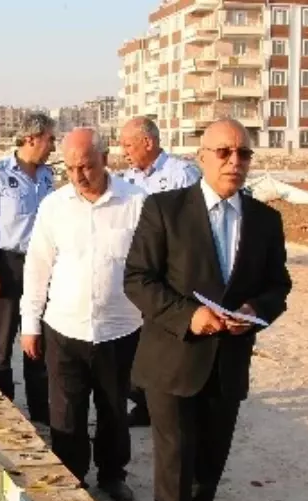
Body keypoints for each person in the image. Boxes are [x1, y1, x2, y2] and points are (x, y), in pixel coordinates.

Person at [124, 119, 292, 501]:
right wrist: (188, 316)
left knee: (210, 463)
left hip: (228, 363)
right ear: (201, 158)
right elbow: (138, 279)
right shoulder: (165, 209)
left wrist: (254, 310)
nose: (234, 162)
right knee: (175, 462)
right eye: (224, 152)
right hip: (174, 360)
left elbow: (279, 286)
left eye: (243, 153)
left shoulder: (265, 221)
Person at [20, 128, 148, 501]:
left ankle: (112, 475)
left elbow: (153, 264)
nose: (78, 176)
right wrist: (30, 324)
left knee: (113, 407)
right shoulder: (54, 206)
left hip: (120, 328)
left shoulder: (136, 202)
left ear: (105, 159)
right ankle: (72, 477)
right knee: (66, 412)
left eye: (86, 166)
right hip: (64, 327)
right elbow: (37, 268)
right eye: (71, 168)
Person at [118, 116, 203, 428]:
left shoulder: (181, 174)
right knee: (138, 340)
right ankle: (143, 404)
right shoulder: (127, 180)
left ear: (148, 142)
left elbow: (199, 224)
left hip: (170, 272)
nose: (124, 151)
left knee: (167, 339)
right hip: (140, 271)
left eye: (128, 145)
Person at [0, 113, 57, 424]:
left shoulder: (47, 176)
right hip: (9, 264)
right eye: (50, 139)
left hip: (42, 265)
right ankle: (3, 412)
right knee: (2, 341)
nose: (53, 146)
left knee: (38, 339)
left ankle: (41, 413)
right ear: (31, 138)